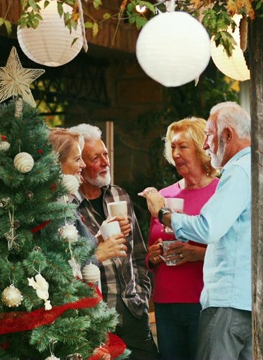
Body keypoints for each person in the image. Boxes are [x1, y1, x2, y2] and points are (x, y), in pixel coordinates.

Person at [142, 102, 252, 360]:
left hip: (228, 301)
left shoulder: (237, 171)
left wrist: (163, 214)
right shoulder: (255, 167)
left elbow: (207, 228)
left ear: (228, 135)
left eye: (209, 137)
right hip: (240, 299)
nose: (205, 145)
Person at [69, 124, 160, 360]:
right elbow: (66, 263)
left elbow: (139, 254)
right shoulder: (68, 206)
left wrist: (140, 294)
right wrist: (98, 251)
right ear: (80, 165)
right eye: (95, 158)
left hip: (132, 311)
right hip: (95, 316)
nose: (105, 162)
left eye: (105, 154)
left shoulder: (119, 195)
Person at [145, 117, 219, 360]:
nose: (175, 153)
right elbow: (149, 253)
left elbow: (234, 249)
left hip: (204, 302)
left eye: (183, 147)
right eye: (173, 147)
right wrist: (153, 257)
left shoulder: (220, 192)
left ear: (200, 148)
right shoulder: (162, 197)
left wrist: (197, 254)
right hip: (166, 303)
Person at [48, 127, 123, 360]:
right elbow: (54, 264)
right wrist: (98, 254)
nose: (81, 165)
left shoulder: (65, 200)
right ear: (56, 161)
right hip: (65, 321)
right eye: (77, 158)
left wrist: (97, 238)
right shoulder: (50, 206)